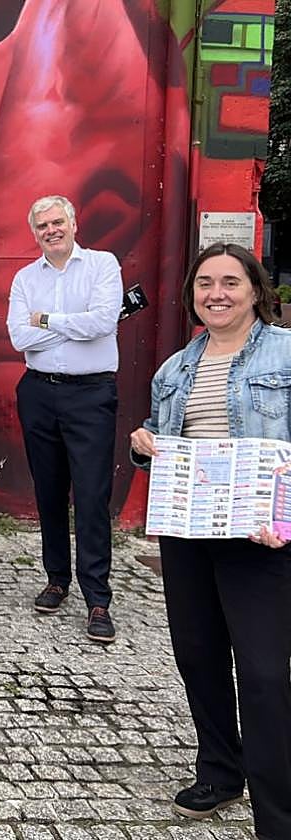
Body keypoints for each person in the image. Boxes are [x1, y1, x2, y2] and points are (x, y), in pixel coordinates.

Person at [129, 243, 291, 837]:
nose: (215, 293)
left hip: (262, 535)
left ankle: (279, 813)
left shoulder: (286, 352)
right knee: (198, 657)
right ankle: (222, 772)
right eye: (204, 283)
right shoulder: (174, 368)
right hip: (189, 533)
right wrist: (142, 443)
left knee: (265, 672)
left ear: (255, 289)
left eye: (229, 282)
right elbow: (160, 441)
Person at [7, 195, 122, 644]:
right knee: (48, 490)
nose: (50, 230)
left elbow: (103, 322)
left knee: (92, 495)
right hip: (38, 391)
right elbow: (19, 336)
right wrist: (66, 323)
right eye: (42, 226)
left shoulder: (101, 265)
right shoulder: (23, 277)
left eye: (57, 222)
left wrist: (47, 320)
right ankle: (57, 579)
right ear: (34, 232)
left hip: (90, 392)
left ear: (73, 223)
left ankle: (98, 598)